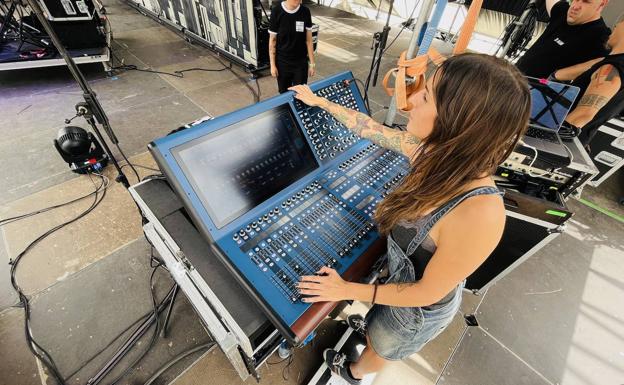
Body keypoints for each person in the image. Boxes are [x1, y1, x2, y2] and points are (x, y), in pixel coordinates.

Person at [290, 53, 532, 384]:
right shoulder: (433, 153)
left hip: (415, 314)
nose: (412, 100)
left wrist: (345, 288)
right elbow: (371, 128)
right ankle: (371, 334)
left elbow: (425, 293)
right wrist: (319, 102)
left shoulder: (480, 214)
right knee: (377, 329)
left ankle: (352, 373)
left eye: (427, 95)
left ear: (459, 120)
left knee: (381, 349)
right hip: (397, 289)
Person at [552, 14, 624, 146]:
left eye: (618, 23)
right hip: (575, 143)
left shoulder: (612, 67)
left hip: (560, 143)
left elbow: (583, 115)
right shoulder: (613, 63)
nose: (614, 26)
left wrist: (545, 138)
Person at [516, 0, 610, 79]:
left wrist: (556, 76)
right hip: (514, 75)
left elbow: (607, 62)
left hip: (535, 94)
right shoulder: (562, 12)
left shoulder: (601, 36)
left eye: (586, 1)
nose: (575, 6)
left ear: (602, 4)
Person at [268, 0, 316, 93]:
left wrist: (312, 64)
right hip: (282, 63)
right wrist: (272, 65)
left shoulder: (305, 11)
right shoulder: (276, 11)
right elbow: (272, 42)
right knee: (284, 93)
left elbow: (309, 40)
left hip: (300, 62)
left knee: (302, 93)